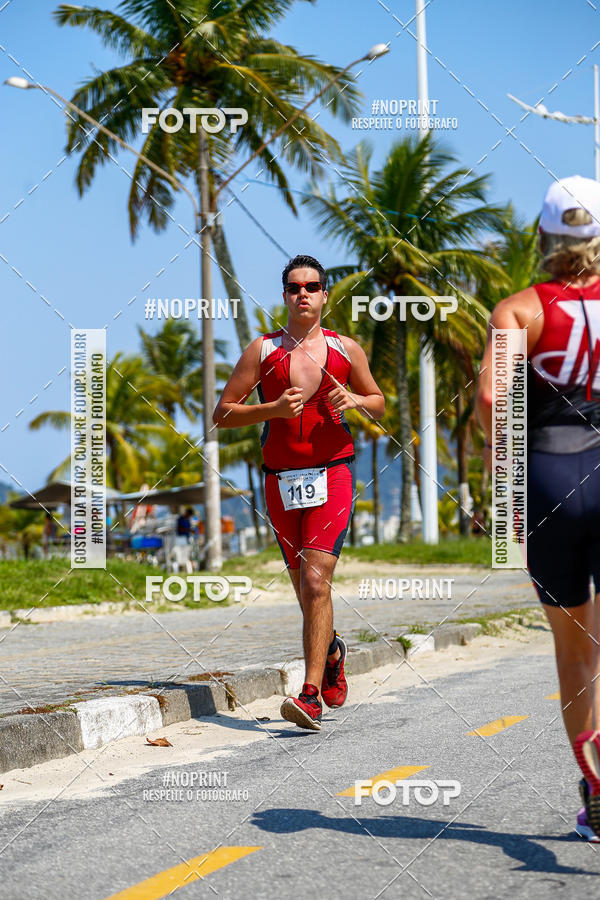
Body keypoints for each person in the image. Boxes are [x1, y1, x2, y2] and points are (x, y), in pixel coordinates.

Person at [476, 175, 600, 841]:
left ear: (545, 235)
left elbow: (495, 401)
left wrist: (505, 472)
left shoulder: (517, 309)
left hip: (550, 475)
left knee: (574, 648)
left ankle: (594, 784)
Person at [214, 254, 385, 730]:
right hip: (280, 481)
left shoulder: (345, 350)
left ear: (325, 294)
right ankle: (331, 651)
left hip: (332, 473)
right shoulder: (263, 350)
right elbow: (223, 413)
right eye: (294, 288)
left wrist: (354, 398)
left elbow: (379, 403)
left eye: (312, 286)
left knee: (316, 583)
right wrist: (270, 409)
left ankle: (309, 695)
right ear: (285, 296)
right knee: (304, 590)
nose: (303, 294)